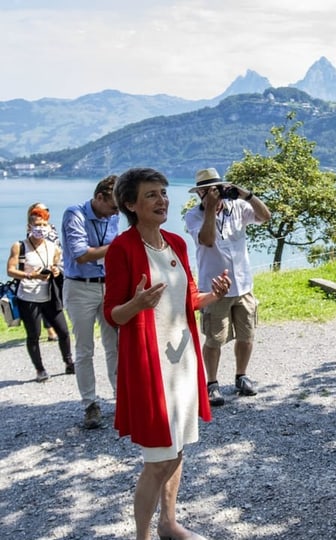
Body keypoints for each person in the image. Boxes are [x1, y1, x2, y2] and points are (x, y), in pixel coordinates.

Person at [104, 167, 231, 540]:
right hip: (150, 366)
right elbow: (112, 314)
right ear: (130, 204)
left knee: (176, 451)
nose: (162, 200)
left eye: (163, 192)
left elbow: (187, 299)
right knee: (157, 461)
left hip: (183, 360)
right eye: (151, 195)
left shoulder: (176, 242)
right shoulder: (122, 249)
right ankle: (143, 537)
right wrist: (137, 303)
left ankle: (169, 524)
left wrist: (213, 296)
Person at [184, 167, 270, 406]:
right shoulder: (193, 216)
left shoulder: (239, 208)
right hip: (215, 289)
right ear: (200, 193)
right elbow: (208, 240)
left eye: (219, 189)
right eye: (210, 191)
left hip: (244, 285)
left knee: (247, 334)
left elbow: (266, 217)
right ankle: (212, 384)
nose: (217, 194)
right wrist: (210, 208)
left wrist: (247, 195)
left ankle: (241, 376)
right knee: (214, 338)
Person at [61, 175, 121, 429]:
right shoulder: (74, 214)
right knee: (85, 348)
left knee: (115, 344)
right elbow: (81, 254)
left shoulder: (114, 215)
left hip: (109, 285)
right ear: (99, 198)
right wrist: (119, 245)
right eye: (112, 207)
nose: (114, 213)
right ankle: (90, 403)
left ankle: (122, 399)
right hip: (79, 287)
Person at [6, 206, 73, 381]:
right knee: (34, 335)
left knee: (64, 331)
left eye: (44, 224)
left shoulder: (53, 247)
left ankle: (69, 362)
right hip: (28, 297)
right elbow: (10, 270)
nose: (41, 228)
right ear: (29, 227)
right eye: (37, 225)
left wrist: (56, 271)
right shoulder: (19, 247)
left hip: (50, 296)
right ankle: (40, 369)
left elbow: (57, 267)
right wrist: (31, 275)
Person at [28, 202, 62, 342]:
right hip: (41, 268)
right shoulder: (32, 229)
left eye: (45, 210)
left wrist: (58, 264)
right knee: (43, 298)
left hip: (55, 266)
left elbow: (57, 245)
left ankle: (55, 326)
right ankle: (50, 330)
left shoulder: (51, 227)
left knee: (55, 298)